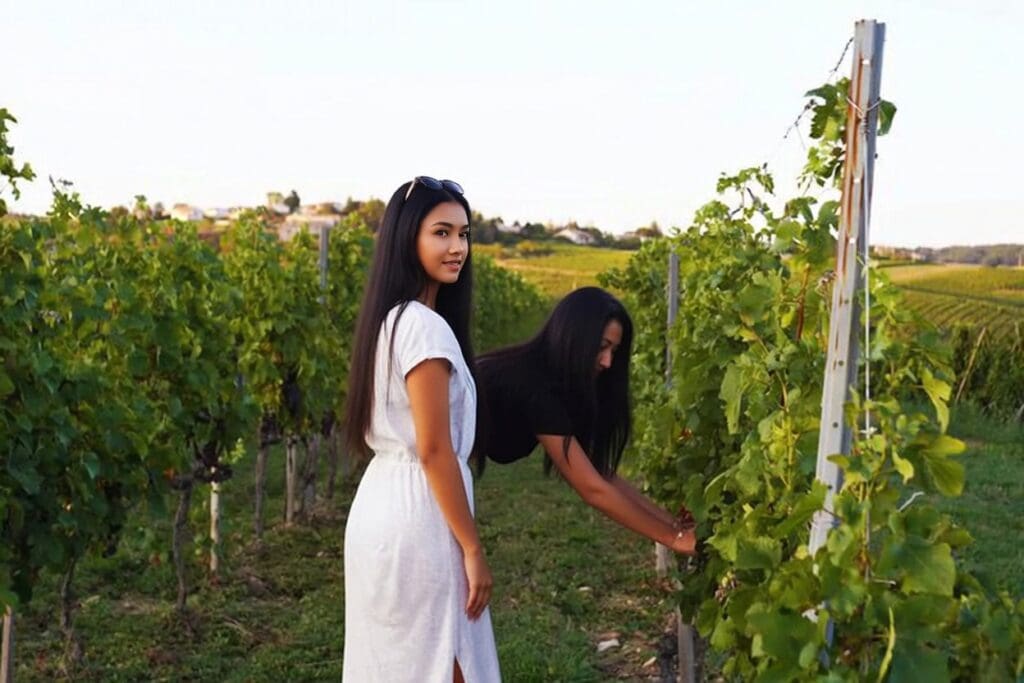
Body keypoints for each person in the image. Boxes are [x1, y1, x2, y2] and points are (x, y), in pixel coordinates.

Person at [343, 177, 501, 683]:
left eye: (464, 233)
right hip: (419, 518)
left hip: (380, 507)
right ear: (408, 238)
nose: (458, 247)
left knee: (392, 663)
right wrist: (473, 548)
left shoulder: (389, 321)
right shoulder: (425, 327)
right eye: (441, 233)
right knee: (447, 661)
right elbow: (434, 450)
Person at [476, 287, 696, 556]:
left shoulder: (551, 378)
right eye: (602, 347)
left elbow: (599, 473)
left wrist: (673, 525)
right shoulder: (535, 387)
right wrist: (675, 539)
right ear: (574, 336)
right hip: (419, 475)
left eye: (614, 351)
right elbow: (593, 489)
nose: (607, 362)